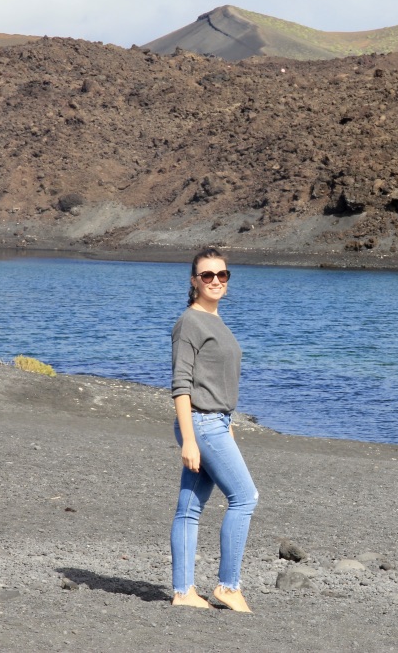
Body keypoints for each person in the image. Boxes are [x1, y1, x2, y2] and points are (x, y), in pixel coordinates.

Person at [169, 248, 258, 612]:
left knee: (189, 508)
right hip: (201, 423)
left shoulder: (215, 320)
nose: (216, 281)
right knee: (245, 497)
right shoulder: (189, 322)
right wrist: (190, 439)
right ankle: (228, 586)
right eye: (208, 276)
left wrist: (229, 423)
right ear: (194, 281)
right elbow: (181, 385)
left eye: (222, 275)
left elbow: (215, 381)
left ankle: (184, 592)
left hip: (215, 422)